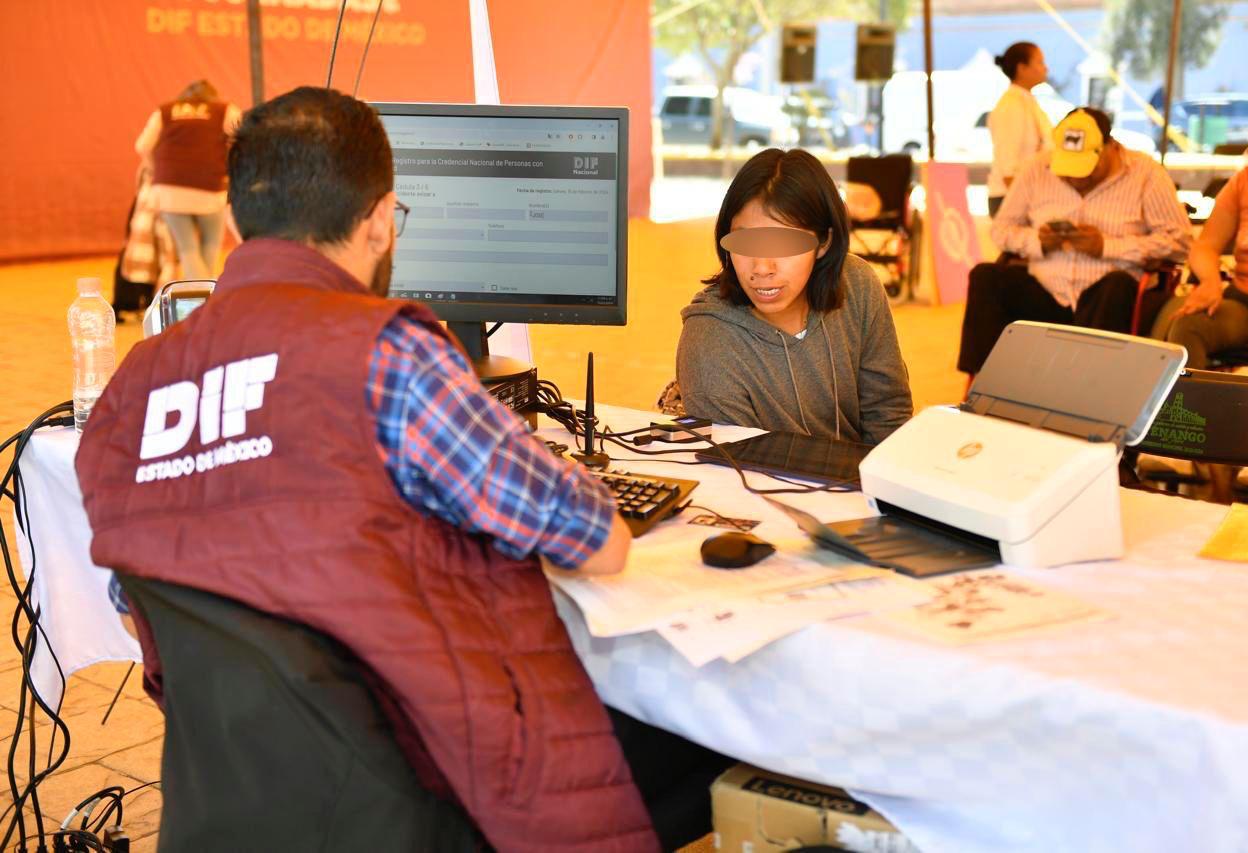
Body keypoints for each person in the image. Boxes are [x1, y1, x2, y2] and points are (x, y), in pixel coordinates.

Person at [77, 87, 728, 851]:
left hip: (231, 802)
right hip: (418, 790)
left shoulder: (130, 392)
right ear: (382, 220)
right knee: (708, 733)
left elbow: (139, 609)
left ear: (234, 224)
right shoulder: (387, 355)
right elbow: (597, 541)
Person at [676, 148, 913, 444]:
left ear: (823, 242)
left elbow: (888, 415)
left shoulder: (858, 285)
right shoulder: (710, 338)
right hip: (761, 472)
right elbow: (737, 460)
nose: (762, 268)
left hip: (863, 471)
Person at [958, 107, 1191, 376]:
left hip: (1108, 296)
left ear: (1110, 147)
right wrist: (1037, 241)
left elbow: (1180, 242)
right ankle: (984, 382)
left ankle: (1091, 385)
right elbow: (1001, 229)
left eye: (1086, 169)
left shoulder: (1146, 173)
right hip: (1047, 290)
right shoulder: (1037, 168)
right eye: (1068, 169)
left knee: (1116, 285)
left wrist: (1106, 247)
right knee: (985, 276)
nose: (1076, 178)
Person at [1160, 104, 1248, 368]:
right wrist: (1211, 282)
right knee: (1187, 326)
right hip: (1247, 302)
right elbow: (1205, 245)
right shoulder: (1244, 182)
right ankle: (1187, 398)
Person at [134, 79, 241, 280]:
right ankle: (205, 293)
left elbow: (142, 146)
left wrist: (154, 168)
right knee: (211, 244)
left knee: (187, 249)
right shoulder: (224, 110)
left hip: (169, 190)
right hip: (210, 188)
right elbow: (244, 138)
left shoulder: (165, 111)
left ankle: (199, 294)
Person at [987, 41, 1054, 217]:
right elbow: (1007, 164)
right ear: (1022, 68)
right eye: (1040, 62)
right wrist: (1027, 202)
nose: (1045, 68)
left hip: (1027, 194)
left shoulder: (1026, 100)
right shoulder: (1011, 105)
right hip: (1011, 198)